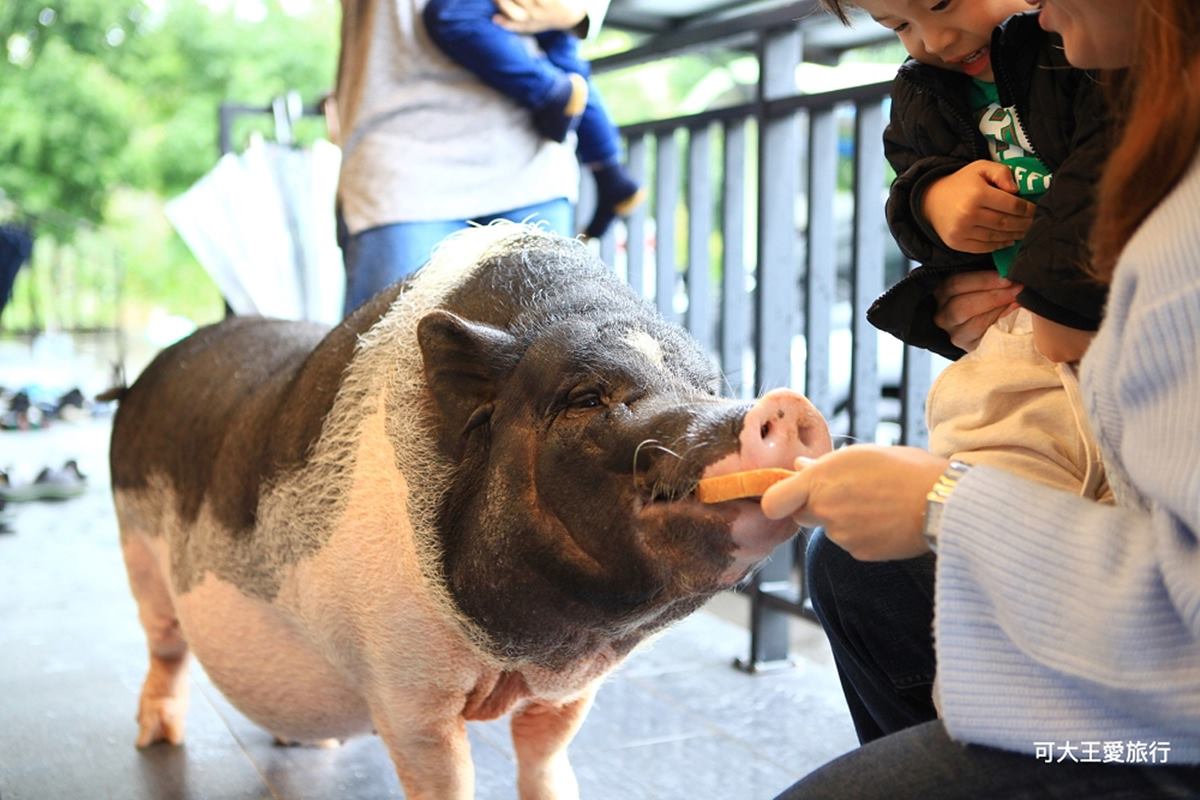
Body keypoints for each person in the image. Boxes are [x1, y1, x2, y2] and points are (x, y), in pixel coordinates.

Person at [762, 0, 1200, 795]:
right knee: (855, 568)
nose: (927, 39)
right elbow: (920, 191)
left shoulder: (1120, 134)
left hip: (1170, 714)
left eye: (937, 6)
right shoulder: (945, 88)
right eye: (896, 25)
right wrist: (937, 225)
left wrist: (943, 505)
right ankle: (976, 726)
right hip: (1045, 373)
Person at [334, 0, 608, 316]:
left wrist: (582, 8)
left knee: (552, 356)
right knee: (382, 359)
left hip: (534, 166)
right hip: (402, 166)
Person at [422, 0, 645, 240]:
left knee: (451, 15)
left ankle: (550, 93)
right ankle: (611, 174)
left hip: (533, 174)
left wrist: (580, 12)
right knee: (566, 63)